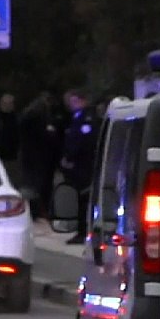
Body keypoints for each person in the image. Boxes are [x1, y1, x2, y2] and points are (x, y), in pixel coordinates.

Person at [60, 88, 98, 245]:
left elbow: (83, 143)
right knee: (80, 198)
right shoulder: (77, 118)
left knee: (84, 199)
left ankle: (84, 231)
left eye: (74, 101)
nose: (71, 104)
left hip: (83, 166)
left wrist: (70, 157)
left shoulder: (86, 119)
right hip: (77, 166)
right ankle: (82, 230)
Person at [19, 91, 61, 219]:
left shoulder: (28, 116)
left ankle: (34, 210)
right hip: (40, 156)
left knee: (32, 184)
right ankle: (38, 210)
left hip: (31, 155)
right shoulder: (39, 117)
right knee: (39, 184)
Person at [0, 93, 21, 192]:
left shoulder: (17, 119)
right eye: (5, 103)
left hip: (12, 157)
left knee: (12, 181)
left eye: (10, 103)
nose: (7, 106)